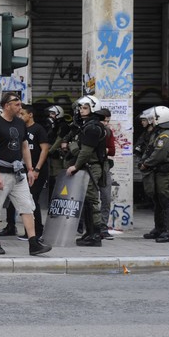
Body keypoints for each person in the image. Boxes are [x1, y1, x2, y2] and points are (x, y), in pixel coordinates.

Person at [0, 92, 52, 256]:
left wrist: (30, 169)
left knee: (27, 207)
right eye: (17, 104)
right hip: (1, 172)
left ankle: (33, 243)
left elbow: (24, 148)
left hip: (18, 174)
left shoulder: (20, 123)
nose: (20, 107)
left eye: (20, 104)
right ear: (7, 105)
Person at [63, 95, 108, 247]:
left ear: (93, 108)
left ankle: (95, 235)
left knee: (92, 200)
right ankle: (89, 233)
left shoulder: (93, 127)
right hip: (88, 165)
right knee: (87, 201)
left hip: (91, 166)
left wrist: (75, 165)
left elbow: (86, 152)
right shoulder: (86, 125)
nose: (81, 110)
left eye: (85, 108)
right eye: (81, 108)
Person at [8, 104, 50, 241]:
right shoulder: (21, 129)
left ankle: (37, 231)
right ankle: (29, 231)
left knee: (32, 199)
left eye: (22, 114)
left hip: (38, 170)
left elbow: (44, 149)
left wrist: (37, 168)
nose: (20, 116)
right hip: (23, 169)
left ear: (30, 115)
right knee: (26, 200)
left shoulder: (38, 129)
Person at [140, 106, 169, 243]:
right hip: (155, 172)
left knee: (166, 201)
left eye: (153, 118)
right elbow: (150, 149)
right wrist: (143, 161)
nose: (151, 121)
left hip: (164, 173)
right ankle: (159, 229)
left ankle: (168, 231)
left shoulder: (166, 135)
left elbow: (159, 154)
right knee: (157, 202)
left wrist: (146, 164)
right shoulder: (157, 134)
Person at [96, 108, 115, 239]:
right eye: (104, 120)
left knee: (106, 198)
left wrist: (101, 150)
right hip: (91, 167)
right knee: (91, 199)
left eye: (108, 121)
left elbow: (112, 150)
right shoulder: (91, 130)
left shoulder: (108, 132)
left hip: (104, 167)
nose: (106, 123)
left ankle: (103, 226)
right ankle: (91, 225)